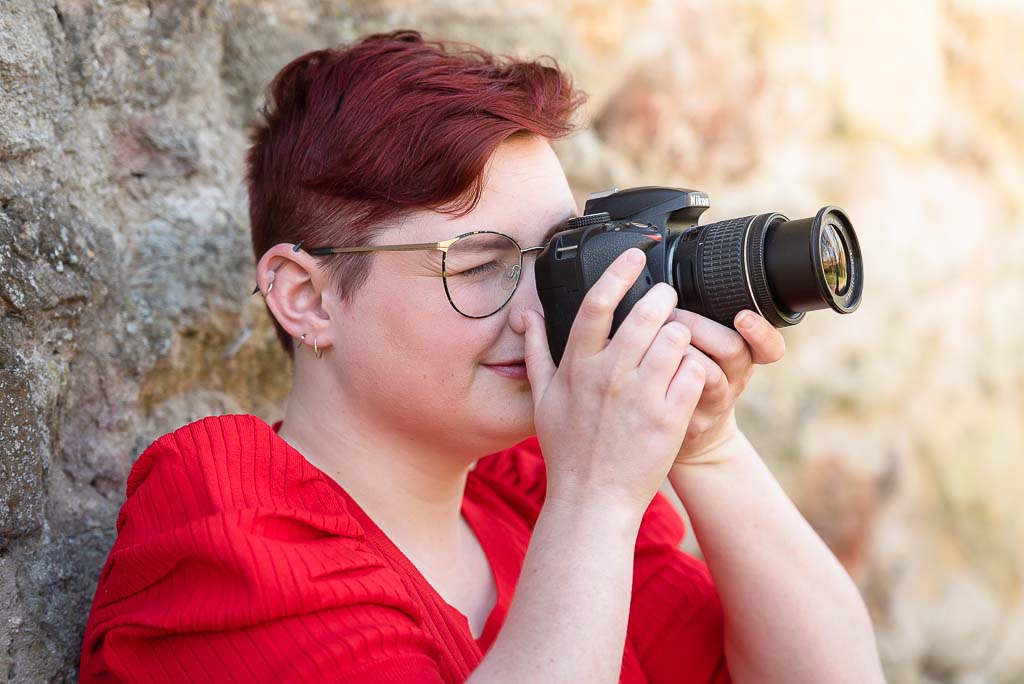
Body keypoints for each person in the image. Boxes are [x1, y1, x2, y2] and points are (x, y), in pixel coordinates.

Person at [79, 29, 885, 683]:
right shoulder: (221, 537)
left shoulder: (533, 501)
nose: (545, 309)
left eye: (558, 255)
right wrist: (598, 495)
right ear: (307, 297)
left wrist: (707, 448)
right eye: (480, 266)